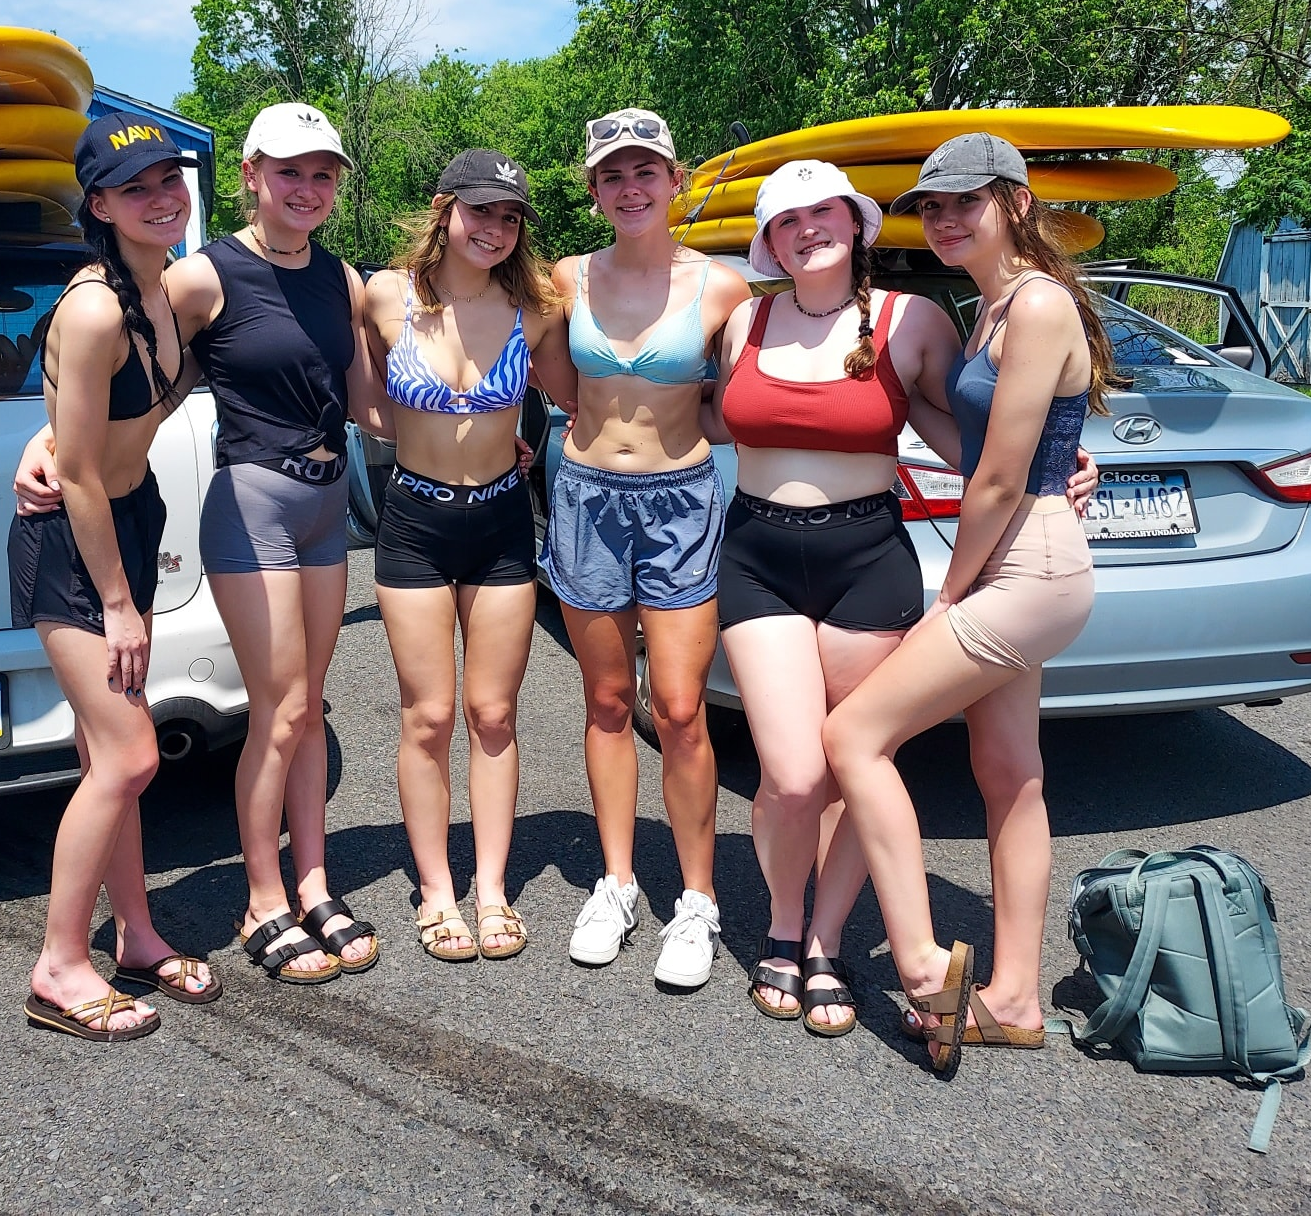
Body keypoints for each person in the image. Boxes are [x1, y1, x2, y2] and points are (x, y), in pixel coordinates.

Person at [18, 102, 385, 988]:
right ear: (252, 174)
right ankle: (260, 900)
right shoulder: (197, 278)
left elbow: (369, 408)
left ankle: (311, 883)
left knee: (310, 704)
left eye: (322, 173)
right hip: (248, 502)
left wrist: (492, 416)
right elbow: (99, 375)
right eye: (287, 171)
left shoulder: (342, 281)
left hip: (324, 500)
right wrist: (46, 447)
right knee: (279, 710)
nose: (306, 188)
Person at [822, 133, 1118, 1076]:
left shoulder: (1036, 305)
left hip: (1024, 566)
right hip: (1022, 553)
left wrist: (948, 599)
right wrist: (900, 399)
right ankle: (1015, 999)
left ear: (1017, 204)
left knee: (854, 736)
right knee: (1009, 773)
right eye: (934, 206)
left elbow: (992, 484)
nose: (946, 219)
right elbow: (983, 442)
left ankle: (921, 970)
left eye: (967, 203)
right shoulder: (990, 308)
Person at [708, 159, 960, 1033]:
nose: (807, 229)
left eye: (825, 213)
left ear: (856, 225)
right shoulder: (746, 318)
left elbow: (965, 429)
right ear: (770, 242)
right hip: (756, 556)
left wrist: (1058, 462)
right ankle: (778, 921)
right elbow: (696, 414)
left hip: (867, 560)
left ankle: (822, 940)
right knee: (794, 771)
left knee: (857, 763)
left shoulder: (911, 320)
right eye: (787, 220)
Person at [15, 112, 217, 1043]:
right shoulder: (95, 306)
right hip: (76, 547)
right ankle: (59, 964)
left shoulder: (167, 290)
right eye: (137, 188)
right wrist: (119, 604)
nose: (163, 197)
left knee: (111, 758)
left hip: (129, 527)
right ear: (98, 203)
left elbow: (71, 431)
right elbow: (83, 469)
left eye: (170, 179)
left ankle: (135, 936)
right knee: (132, 755)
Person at [544, 109, 751, 988]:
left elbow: (742, 402)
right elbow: (558, 384)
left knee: (678, 707)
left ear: (676, 182)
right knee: (603, 701)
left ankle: (696, 899)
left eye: (646, 171)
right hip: (587, 496)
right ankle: (619, 882)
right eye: (613, 175)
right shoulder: (565, 277)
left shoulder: (725, 287)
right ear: (595, 193)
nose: (631, 187)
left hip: (680, 501)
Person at [361, 151, 576, 962]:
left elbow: (581, 397)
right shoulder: (384, 295)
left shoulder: (536, 309)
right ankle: (436, 891)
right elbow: (339, 382)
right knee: (430, 716)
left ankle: (490, 890)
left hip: (499, 525)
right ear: (445, 209)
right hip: (415, 521)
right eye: (480, 212)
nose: (494, 229)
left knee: (492, 715)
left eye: (510, 216)